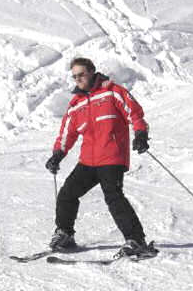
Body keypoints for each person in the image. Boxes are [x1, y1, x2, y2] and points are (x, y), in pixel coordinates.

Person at [44, 57, 157, 257]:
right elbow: (67, 134)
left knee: (113, 196)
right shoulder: (76, 104)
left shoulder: (113, 92)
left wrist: (140, 134)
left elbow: (135, 114)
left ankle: (136, 240)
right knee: (67, 194)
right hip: (88, 160)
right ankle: (65, 234)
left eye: (81, 74)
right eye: (75, 76)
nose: (78, 79)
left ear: (92, 72)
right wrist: (58, 154)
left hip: (112, 156)